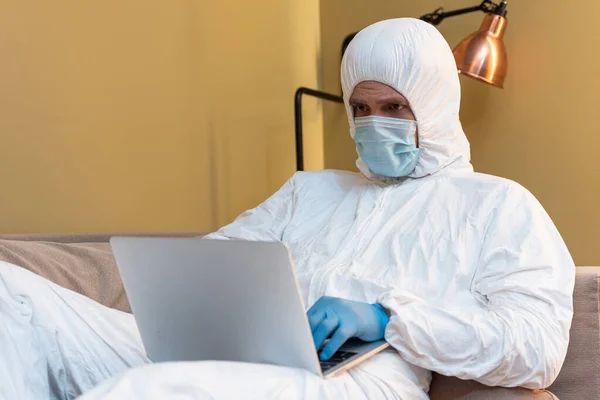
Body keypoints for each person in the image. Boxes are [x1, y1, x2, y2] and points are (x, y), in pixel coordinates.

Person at [0, 18, 574, 400]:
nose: (375, 123)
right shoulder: (310, 190)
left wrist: (389, 318)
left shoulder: (498, 205)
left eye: (396, 106)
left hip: (362, 380)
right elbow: (219, 260)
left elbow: (536, 347)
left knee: (148, 390)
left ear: (437, 105)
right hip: (243, 352)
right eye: (362, 107)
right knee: (13, 295)